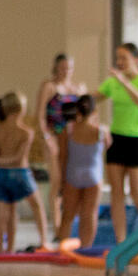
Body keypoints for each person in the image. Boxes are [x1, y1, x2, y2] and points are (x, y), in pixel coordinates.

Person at [97, 42, 138, 244]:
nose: (119, 62)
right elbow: (93, 98)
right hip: (117, 139)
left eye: (124, 58)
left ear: (135, 60)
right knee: (117, 193)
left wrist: (123, 81)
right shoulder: (112, 82)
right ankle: (121, 241)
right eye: (118, 58)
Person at [0, 92, 49, 251]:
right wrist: (3, 161)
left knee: (2, 214)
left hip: (1, 175)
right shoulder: (26, 132)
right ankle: (44, 242)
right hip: (20, 174)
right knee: (37, 206)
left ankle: (1, 247)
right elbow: (18, 158)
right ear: (21, 109)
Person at [35, 53, 87, 240]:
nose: (66, 72)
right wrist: (46, 138)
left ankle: (70, 227)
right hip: (55, 138)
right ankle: (57, 227)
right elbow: (40, 116)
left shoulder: (78, 88)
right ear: (56, 68)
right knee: (57, 182)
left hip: (74, 141)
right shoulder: (49, 87)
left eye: (69, 68)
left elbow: (87, 113)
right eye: (62, 68)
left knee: (72, 183)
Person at [55, 95, 104, 250]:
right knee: (89, 215)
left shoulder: (68, 130)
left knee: (68, 216)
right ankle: (86, 248)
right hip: (93, 176)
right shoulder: (101, 131)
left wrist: (62, 181)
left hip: (73, 175)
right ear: (95, 110)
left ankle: (62, 249)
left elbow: (62, 157)